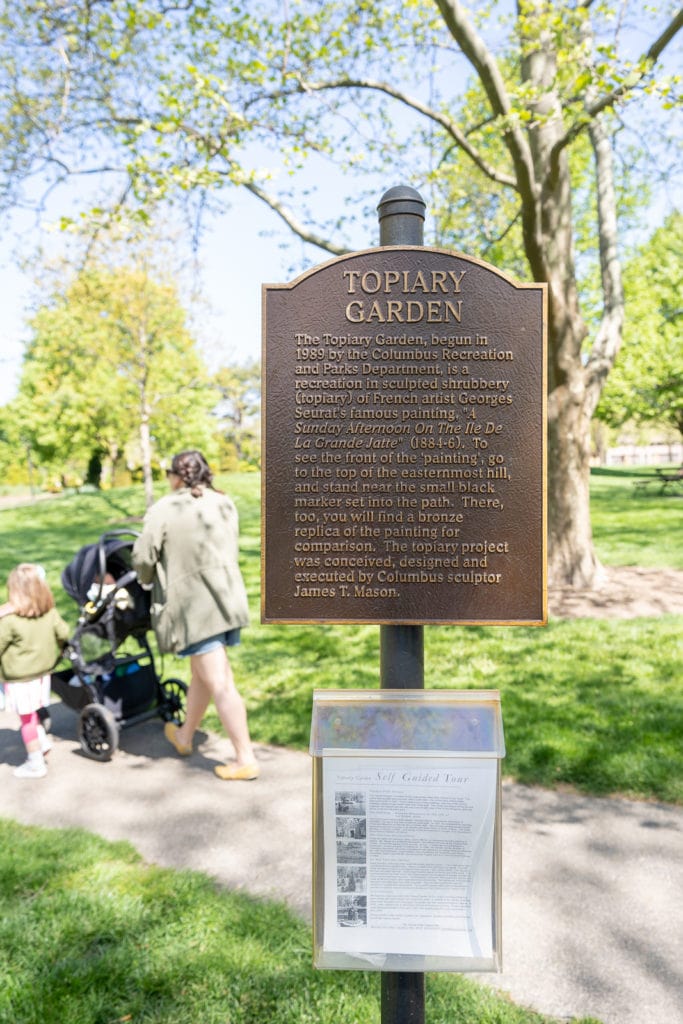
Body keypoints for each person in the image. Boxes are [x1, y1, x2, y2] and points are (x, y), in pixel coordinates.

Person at [132, 450, 258, 781]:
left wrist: (146, 582)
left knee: (220, 681)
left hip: (195, 608)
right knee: (202, 673)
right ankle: (185, 736)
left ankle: (245, 758)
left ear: (176, 476)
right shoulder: (223, 502)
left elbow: (143, 558)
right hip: (226, 599)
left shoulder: (164, 509)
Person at [0, 564, 70, 778]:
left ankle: (35, 762)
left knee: (26, 720)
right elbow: (64, 633)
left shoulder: (11, 621)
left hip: (20, 678)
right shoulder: (49, 612)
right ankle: (41, 742)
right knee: (31, 712)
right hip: (42, 675)